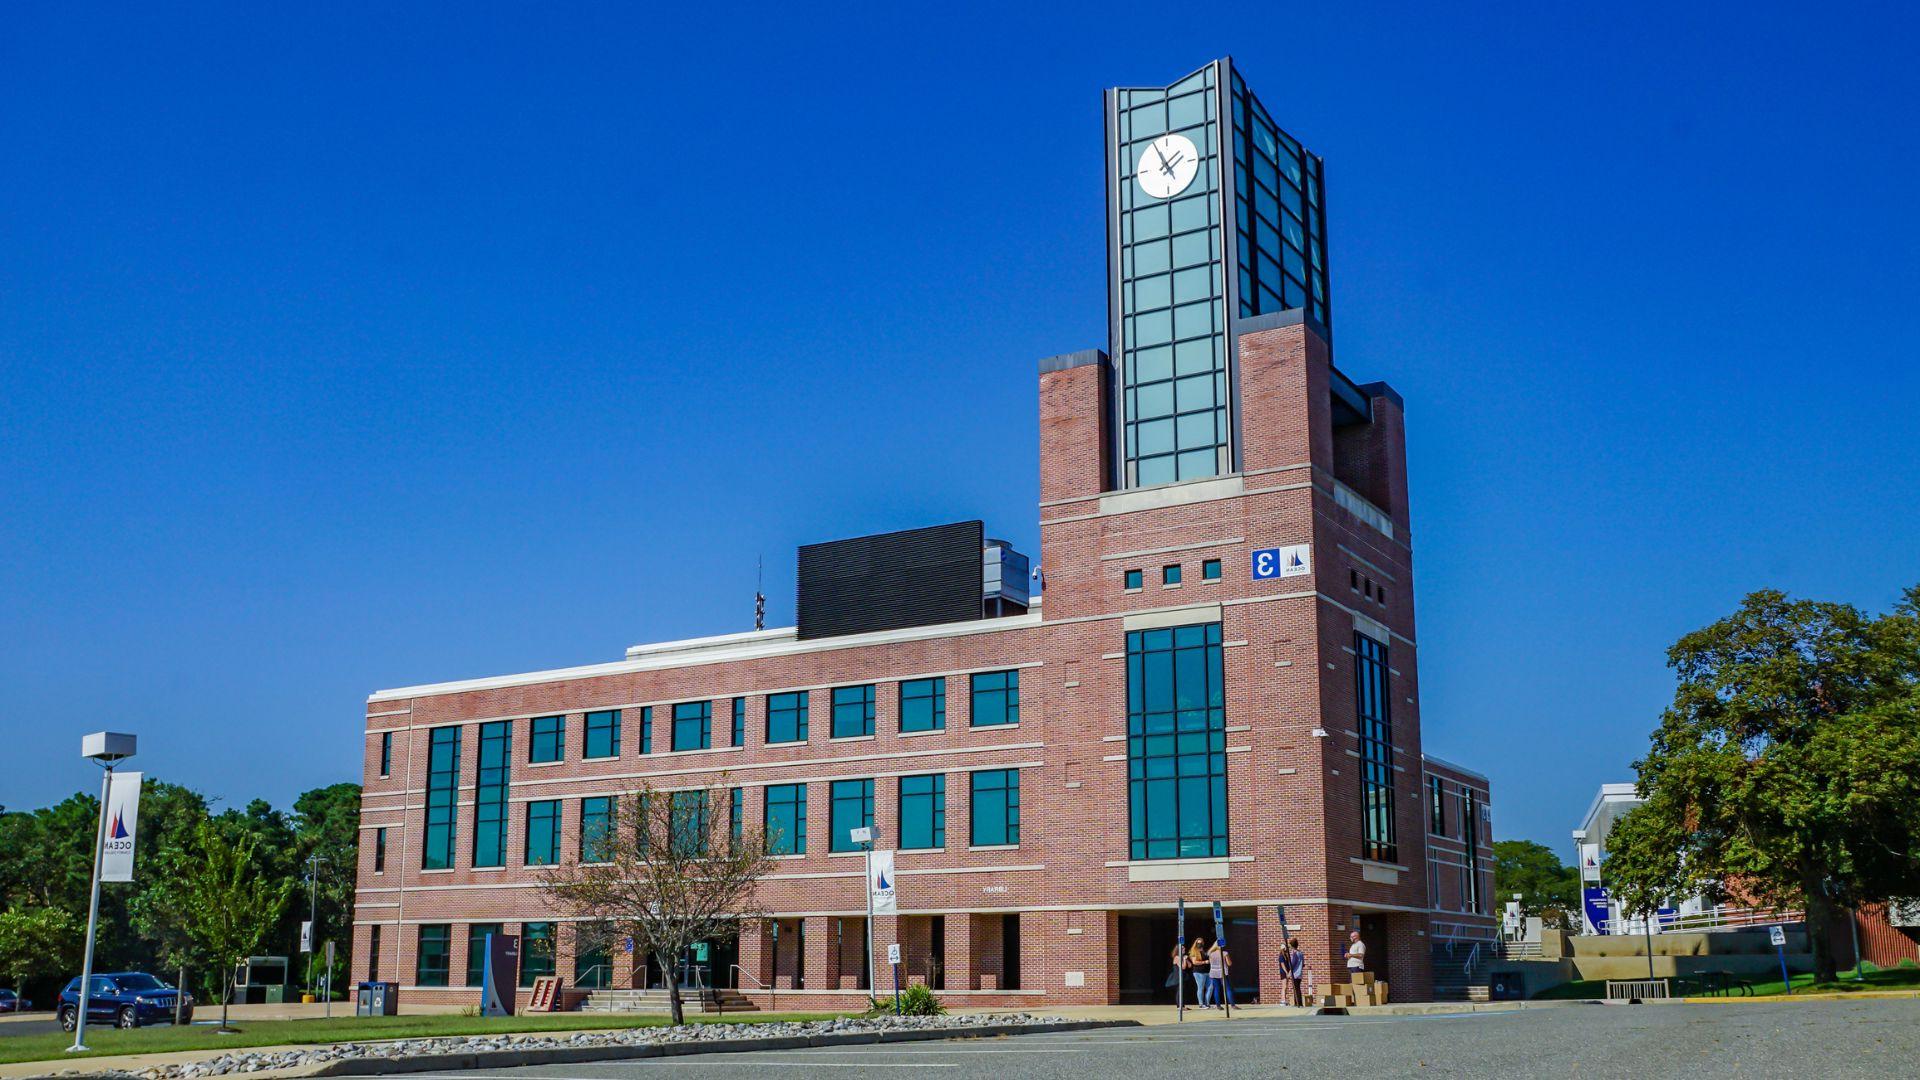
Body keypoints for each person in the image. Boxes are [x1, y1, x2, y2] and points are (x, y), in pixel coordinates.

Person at [1207, 938, 1233, 1008]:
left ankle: (1218, 1005)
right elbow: (1229, 963)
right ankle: (1232, 1005)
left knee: (1216, 988)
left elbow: (1210, 963)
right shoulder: (1225, 953)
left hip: (1213, 972)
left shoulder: (1210, 954)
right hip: (1223, 972)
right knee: (1228, 988)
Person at [1282, 937, 1307, 1006]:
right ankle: (1299, 1002)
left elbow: (1292, 964)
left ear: (1292, 946)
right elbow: (1303, 964)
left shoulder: (1295, 953)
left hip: (1295, 974)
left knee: (1296, 989)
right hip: (1300, 973)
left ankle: (1298, 1003)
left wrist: (1289, 973)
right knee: (1298, 988)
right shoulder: (1300, 953)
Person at [1188, 938, 1212, 1006]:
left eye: (1201, 943)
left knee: (1210, 987)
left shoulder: (1204, 951)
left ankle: (1207, 1003)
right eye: (1198, 943)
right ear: (1195, 944)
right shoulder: (1194, 951)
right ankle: (1201, 1004)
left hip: (1207, 971)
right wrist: (1204, 962)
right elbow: (1194, 962)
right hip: (1199, 972)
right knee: (1201, 987)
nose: (1200, 944)